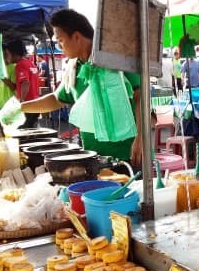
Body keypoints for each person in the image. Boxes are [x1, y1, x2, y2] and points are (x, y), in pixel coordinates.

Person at [20, 9, 141, 165]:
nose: (59, 46)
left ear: (76, 37)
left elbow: (141, 97)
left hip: (130, 155)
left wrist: (141, 139)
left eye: (61, 40)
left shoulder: (116, 59)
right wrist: (20, 108)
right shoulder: (75, 68)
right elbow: (56, 100)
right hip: (93, 157)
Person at [6, 39, 40, 128]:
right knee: (31, 130)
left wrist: (22, 102)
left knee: (24, 132)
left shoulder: (20, 65)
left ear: (15, 54)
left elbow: (25, 83)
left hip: (28, 105)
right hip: (36, 104)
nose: (7, 57)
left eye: (7, 54)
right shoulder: (30, 63)